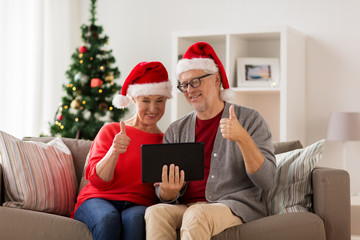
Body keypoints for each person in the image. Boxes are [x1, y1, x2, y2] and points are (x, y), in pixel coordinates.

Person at [145, 42, 276, 240]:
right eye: (184, 85)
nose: (189, 90)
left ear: (216, 80)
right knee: (155, 212)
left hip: (232, 207)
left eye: (195, 81)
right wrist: (168, 192)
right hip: (188, 207)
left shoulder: (250, 119)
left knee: (196, 215)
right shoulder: (176, 130)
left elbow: (267, 180)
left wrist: (242, 139)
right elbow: (163, 194)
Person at [72, 61, 172, 240]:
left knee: (135, 220)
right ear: (134, 99)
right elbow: (97, 181)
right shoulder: (110, 130)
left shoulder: (165, 141)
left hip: (139, 204)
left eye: (160, 100)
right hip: (98, 199)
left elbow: (162, 193)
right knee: (108, 219)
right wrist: (114, 151)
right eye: (146, 100)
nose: (153, 108)